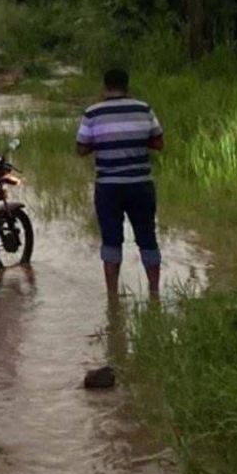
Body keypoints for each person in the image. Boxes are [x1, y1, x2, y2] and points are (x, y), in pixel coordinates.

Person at [76, 68, 164, 300]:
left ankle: (112, 297)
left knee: (111, 241)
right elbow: (158, 143)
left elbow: (81, 149)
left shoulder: (93, 113)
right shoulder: (144, 109)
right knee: (147, 238)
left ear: (105, 87)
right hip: (141, 185)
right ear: (127, 86)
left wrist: (101, 142)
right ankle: (154, 293)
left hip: (108, 187)